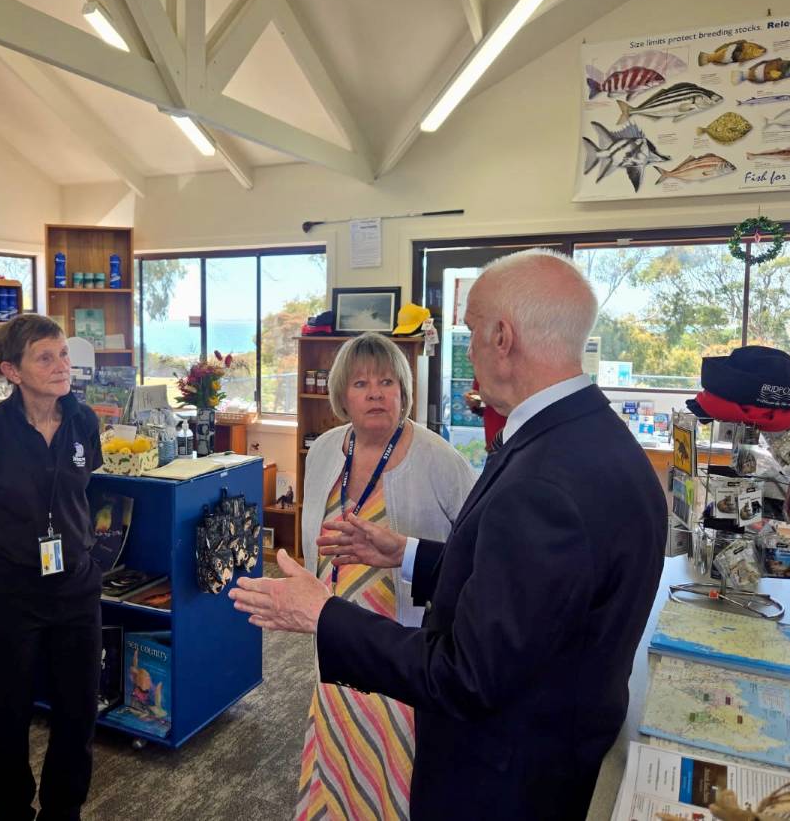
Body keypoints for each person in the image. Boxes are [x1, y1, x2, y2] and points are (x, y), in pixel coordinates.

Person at [232, 250, 666, 821]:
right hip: (546, 746)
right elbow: (525, 592)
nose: (469, 347)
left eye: (470, 330)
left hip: (505, 775)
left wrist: (322, 615)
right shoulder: (588, 437)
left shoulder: (544, 481)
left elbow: (468, 675)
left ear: (501, 337)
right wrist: (408, 553)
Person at [298, 333, 475, 820]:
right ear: (342, 395)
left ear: (404, 391)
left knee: (394, 765)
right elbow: (313, 540)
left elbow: (478, 552)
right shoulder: (325, 450)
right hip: (337, 639)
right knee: (339, 752)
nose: (375, 393)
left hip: (403, 652)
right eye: (361, 383)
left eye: (387, 382)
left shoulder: (440, 459)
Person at [0, 314, 103, 821]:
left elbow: (81, 489)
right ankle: (12, 811)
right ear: (11, 371)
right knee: (10, 714)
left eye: (64, 355)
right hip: (9, 591)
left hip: (76, 587)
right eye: (45, 358)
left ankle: (64, 810)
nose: (62, 366)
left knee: (78, 712)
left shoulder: (84, 421)